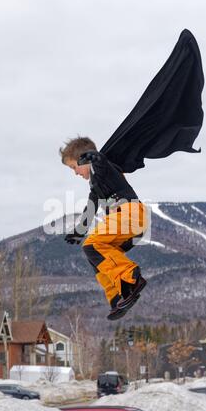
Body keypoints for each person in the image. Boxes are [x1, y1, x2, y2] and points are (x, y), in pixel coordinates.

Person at [60, 136, 147, 320]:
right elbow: (91, 207)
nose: (75, 173)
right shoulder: (95, 185)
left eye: (74, 167)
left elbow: (101, 162)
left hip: (129, 214)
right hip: (129, 222)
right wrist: (79, 231)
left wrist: (94, 156)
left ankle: (131, 278)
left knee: (92, 245)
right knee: (95, 256)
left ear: (84, 159)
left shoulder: (103, 168)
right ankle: (117, 296)